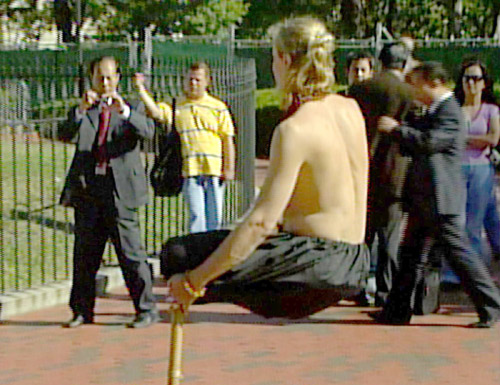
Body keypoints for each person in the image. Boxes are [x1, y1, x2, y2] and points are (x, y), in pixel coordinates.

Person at [161, 17, 370, 318]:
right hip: (356, 259)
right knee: (219, 248)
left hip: (316, 265)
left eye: (273, 58)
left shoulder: (294, 130)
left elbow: (261, 222)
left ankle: (195, 285)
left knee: (177, 255)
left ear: (284, 60)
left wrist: (194, 282)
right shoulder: (350, 109)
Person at [372, 61, 500, 328]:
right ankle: (396, 310)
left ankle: (491, 306)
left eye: (415, 83)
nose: (412, 89)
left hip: (440, 198)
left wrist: (396, 129)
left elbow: (430, 142)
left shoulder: (450, 111)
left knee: (460, 255)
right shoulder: (433, 110)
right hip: (424, 198)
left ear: (433, 82)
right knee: (410, 257)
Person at [59, 56, 159, 329]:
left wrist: (124, 111)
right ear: (91, 79)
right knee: (85, 255)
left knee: (130, 253)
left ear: (117, 78)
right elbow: (64, 133)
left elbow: (149, 131)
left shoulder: (132, 106)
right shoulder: (86, 108)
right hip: (90, 189)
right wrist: (80, 110)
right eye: (99, 77)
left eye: (109, 77)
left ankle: (146, 309)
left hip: (120, 191)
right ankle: (82, 311)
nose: (104, 83)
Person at [133, 62, 236, 233]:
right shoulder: (176, 106)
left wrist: (229, 168)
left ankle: (213, 247)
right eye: (189, 79)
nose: (193, 84)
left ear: (207, 82)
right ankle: (197, 247)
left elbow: (227, 139)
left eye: (197, 80)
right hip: (190, 170)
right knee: (197, 216)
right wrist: (141, 90)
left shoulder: (218, 107)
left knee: (215, 217)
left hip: (214, 170)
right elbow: (156, 112)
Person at [349, 42, 415, 307]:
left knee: (362, 234)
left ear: (380, 61)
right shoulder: (410, 93)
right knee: (390, 237)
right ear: (404, 63)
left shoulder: (359, 90)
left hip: (363, 170)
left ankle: (356, 286)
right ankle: (385, 291)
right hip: (396, 172)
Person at [454, 59, 500, 263]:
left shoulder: (490, 110)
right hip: (457, 169)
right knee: (459, 219)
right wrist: (477, 140)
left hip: (481, 169)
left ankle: (471, 265)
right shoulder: (455, 109)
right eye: (467, 78)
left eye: (476, 78)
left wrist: (464, 139)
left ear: (484, 83)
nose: (471, 83)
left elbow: (493, 138)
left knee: (475, 221)